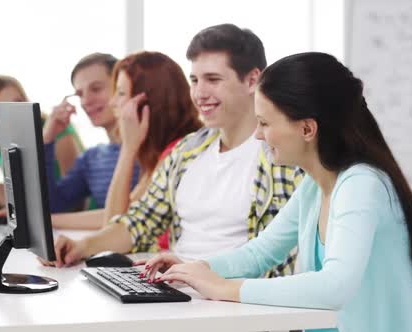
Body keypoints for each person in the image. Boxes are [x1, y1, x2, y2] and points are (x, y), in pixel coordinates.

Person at [140, 52, 412, 332]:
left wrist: (225, 288)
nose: (259, 136)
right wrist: (198, 269)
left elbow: (335, 286)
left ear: (307, 129)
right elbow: (260, 253)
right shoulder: (316, 185)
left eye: (264, 123)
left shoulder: (362, 184)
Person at [41, 24, 303, 277]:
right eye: (194, 80)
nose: (199, 93)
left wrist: (204, 278)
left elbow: (278, 259)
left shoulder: (284, 157)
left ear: (252, 80)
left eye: (212, 79)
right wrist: (83, 246)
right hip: (179, 291)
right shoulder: (186, 151)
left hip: (236, 302)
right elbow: (139, 222)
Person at [51, 51, 203, 230]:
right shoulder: (150, 154)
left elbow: (119, 221)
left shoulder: (179, 151)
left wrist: (128, 148)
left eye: (120, 92)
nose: (113, 103)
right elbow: (120, 218)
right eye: (80, 94)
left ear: (148, 99)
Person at [41, 52, 141, 222]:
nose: (86, 101)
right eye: (79, 94)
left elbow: (132, 215)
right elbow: (53, 205)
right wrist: (46, 140)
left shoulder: (150, 150)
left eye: (96, 89)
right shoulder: (92, 159)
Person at [0, 75, 83, 206]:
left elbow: (76, 199)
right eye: (2, 110)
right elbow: (26, 188)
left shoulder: (58, 128)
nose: (15, 115)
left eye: (18, 103)